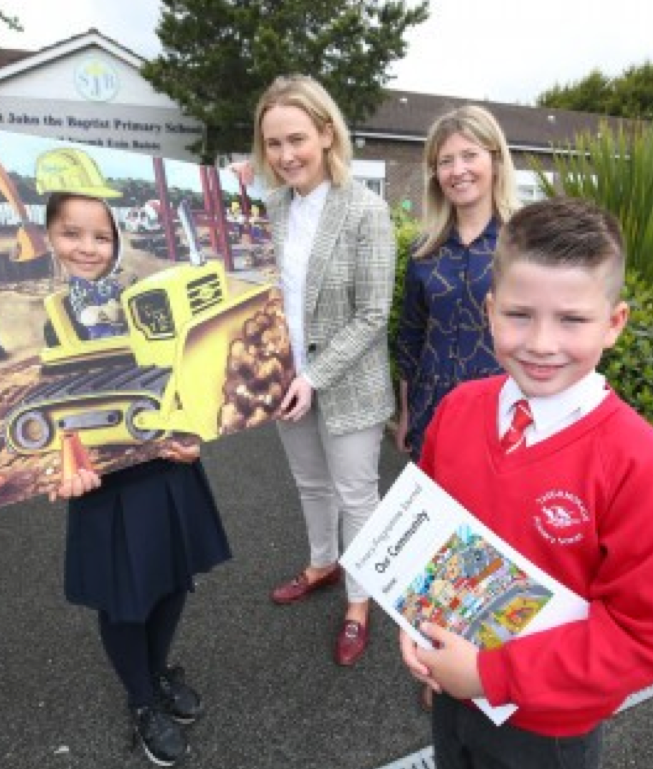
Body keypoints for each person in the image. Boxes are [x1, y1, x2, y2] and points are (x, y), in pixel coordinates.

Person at [398, 198, 653, 769]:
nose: (541, 342)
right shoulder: (458, 410)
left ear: (614, 324)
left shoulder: (637, 461)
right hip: (452, 693)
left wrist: (490, 673)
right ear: (489, 310)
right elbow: (428, 539)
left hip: (548, 728)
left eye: (572, 320)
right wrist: (417, 622)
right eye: (519, 314)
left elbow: (645, 636)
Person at [48, 190, 232, 768]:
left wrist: (197, 430)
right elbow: (37, 414)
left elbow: (187, 373)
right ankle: (141, 698)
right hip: (106, 481)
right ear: (48, 237)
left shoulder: (145, 296)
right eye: (72, 233)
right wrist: (53, 468)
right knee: (124, 596)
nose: (88, 247)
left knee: (172, 579)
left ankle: (154, 671)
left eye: (101, 236)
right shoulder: (45, 315)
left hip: (166, 462)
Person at [248, 74, 396, 667]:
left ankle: (359, 600)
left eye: (297, 139)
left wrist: (315, 377)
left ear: (327, 134)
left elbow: (373, 314)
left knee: (356, 495)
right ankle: (321, 564)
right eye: (273, 144)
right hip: (287, 382)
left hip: (347, 384)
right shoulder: (267, 210)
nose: (286, 155)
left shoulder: (367, 211)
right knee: (311, 484)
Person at [393, 105, 519, 461]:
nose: (457, 170)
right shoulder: (424, 249)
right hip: (430, 411)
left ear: (495, 160)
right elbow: (411, 338)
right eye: (445, 161)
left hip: (501, 412)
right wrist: (406, 414)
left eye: (469, 155)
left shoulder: (525, 244)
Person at [46, 192, 128, 339]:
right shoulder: (80, 284)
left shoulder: (116, 277)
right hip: (103, 340)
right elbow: (86, 315)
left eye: (101, 238)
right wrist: (104, 312)